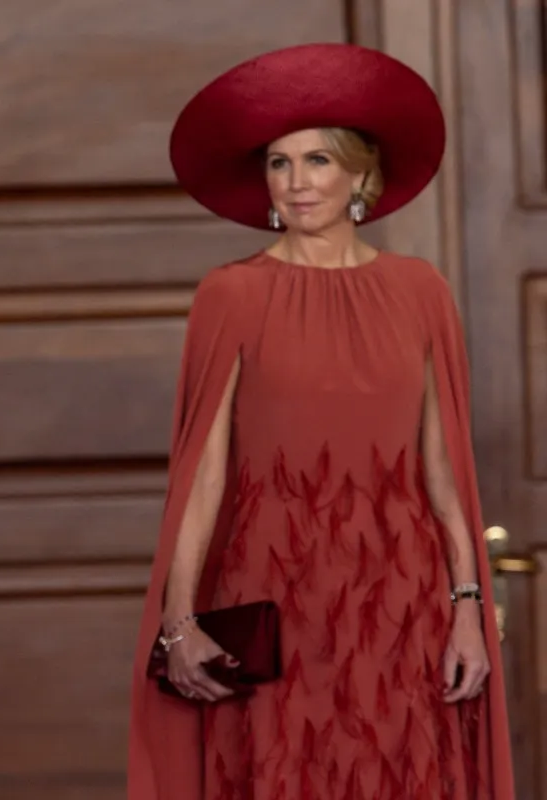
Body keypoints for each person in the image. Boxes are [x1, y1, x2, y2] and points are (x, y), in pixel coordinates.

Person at [126, 43, 514, 799]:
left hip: (402, 601)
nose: (298, 182)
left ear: (361, 175)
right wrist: (178, 622)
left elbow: (442, 474)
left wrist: (468, 609)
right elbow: (202, 477)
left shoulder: (420, 290)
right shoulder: (232, 294)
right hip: (273, 596)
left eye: (318, 161)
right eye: (279, 163)